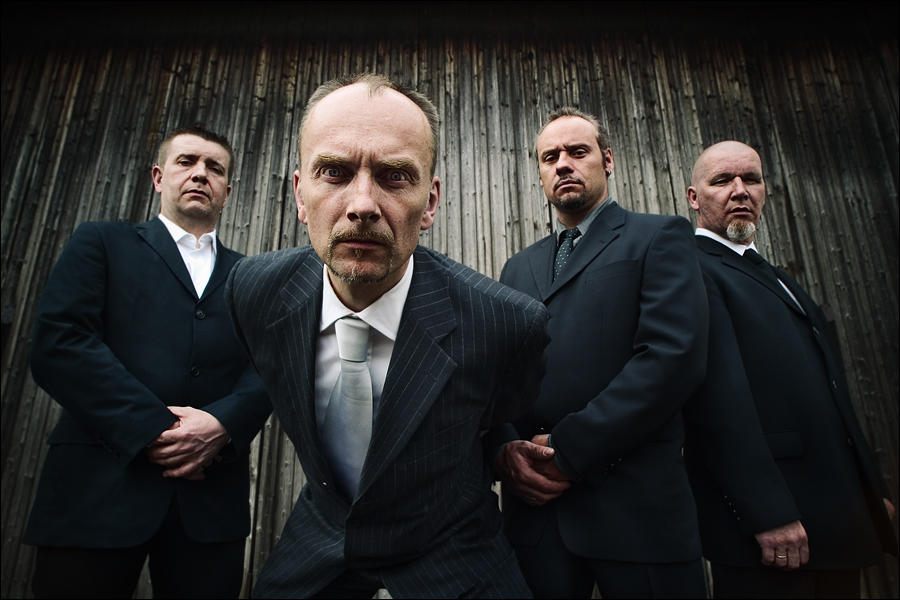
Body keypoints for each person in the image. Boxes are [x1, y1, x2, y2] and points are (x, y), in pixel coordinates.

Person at [225, 73, 549, 599]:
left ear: (431, 201)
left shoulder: (506, 323)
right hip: (323, 534)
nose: (362, 204)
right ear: (300, 194)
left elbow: (499, 410)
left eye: (394, 176)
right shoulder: (254, 292)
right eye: (334, 172)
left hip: (450, 543)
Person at [24, 126, 271, 598]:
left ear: (227, 191)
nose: (200, 173)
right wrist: (158, 430)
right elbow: (61, 344)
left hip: (208, 502)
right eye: (186, 161)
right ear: (159, 177)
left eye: (214, 167)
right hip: (95, 489)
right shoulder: (102, 242)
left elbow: (269, 366)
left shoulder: (253, 276)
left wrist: (220, 425)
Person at [493, 107, 710, 598]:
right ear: (540, 173)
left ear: (607, 160)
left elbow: (671, 359)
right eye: (550, 157)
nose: (563, 164)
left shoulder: (658, 236)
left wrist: (569, 450)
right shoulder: (517, 268)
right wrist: (505, 452)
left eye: (577, 151)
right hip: (537, 519)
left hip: (635, 513)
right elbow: (498, 375)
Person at [682, 140, 897, 599]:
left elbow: (832, 391)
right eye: (722, 181)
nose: (740, 190)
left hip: (839, 518)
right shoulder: (691, 270)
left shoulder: (779, 277)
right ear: (694, 198)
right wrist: (766, 511)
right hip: (776, 530)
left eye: (751, 179)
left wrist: (869, 487)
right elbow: (715, 402)